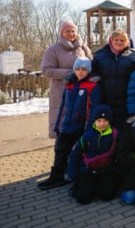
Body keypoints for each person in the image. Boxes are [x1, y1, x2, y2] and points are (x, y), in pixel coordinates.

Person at [38, 57, 101, 191]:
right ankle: (57, 176)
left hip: (80, 126)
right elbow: (63, 107)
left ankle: (77, 178)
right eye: (78, 69)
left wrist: (89, 128)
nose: (80, 72)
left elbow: (94, 109)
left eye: (84, 69)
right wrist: (58, 125)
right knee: (60, 150)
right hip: (66, 125)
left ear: (88, 70)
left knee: (77, 153)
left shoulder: (92, 86)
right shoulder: (69, 85)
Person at [41, 20, 92, 139]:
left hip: (82, 91)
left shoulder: (83, 48)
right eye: (67, 31)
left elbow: (91, 64)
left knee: (80, 125)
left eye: (73, 31)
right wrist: (71, 73)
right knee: (63, 127)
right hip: (61, 91)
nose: (71, 34)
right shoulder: (53, 50)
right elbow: (47, 70)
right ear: (61, 33)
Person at [67, 105, 120, 204]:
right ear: (94, 121)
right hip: (88, 169)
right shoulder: (87, 136)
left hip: (105, 169)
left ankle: (99, 186)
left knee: (107, 196)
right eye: (99, 121)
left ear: (109, 121)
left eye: (105, 120)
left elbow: (120, 153)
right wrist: (73, 175)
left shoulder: (115, 134)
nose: (102, 124)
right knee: (83, 199)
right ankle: (81, 185)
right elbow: (75, 154)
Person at [92, 29, 135, 130]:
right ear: (111, 40)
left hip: (125, 101)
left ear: (127, 42)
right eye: (116, 39)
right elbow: (92, 72)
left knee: (124, 131)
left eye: (122, 40)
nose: (119, 42)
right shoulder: (100, 55)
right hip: (105, 99)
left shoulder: (133, 57)